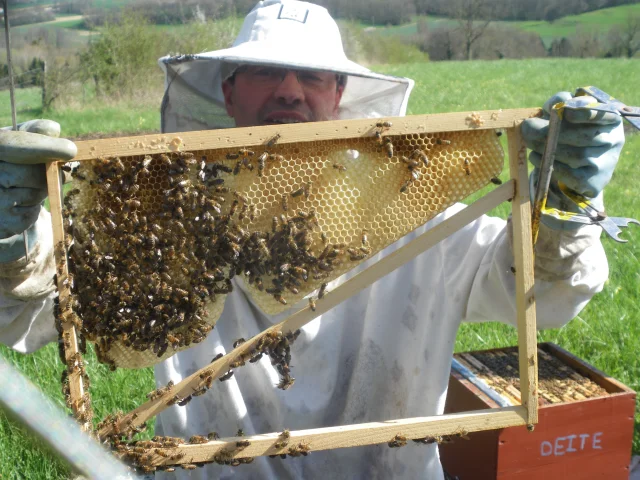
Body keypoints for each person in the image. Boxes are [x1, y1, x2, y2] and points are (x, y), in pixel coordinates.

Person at [0, 1, 625, 479]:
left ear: (338, 96)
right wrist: (14, 241)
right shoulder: (163, 221)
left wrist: (565, 206)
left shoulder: (413, 214)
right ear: (228, 90)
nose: (290, 91)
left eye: (311, 76)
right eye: (267, 72)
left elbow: (543, 292)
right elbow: (24, 320)